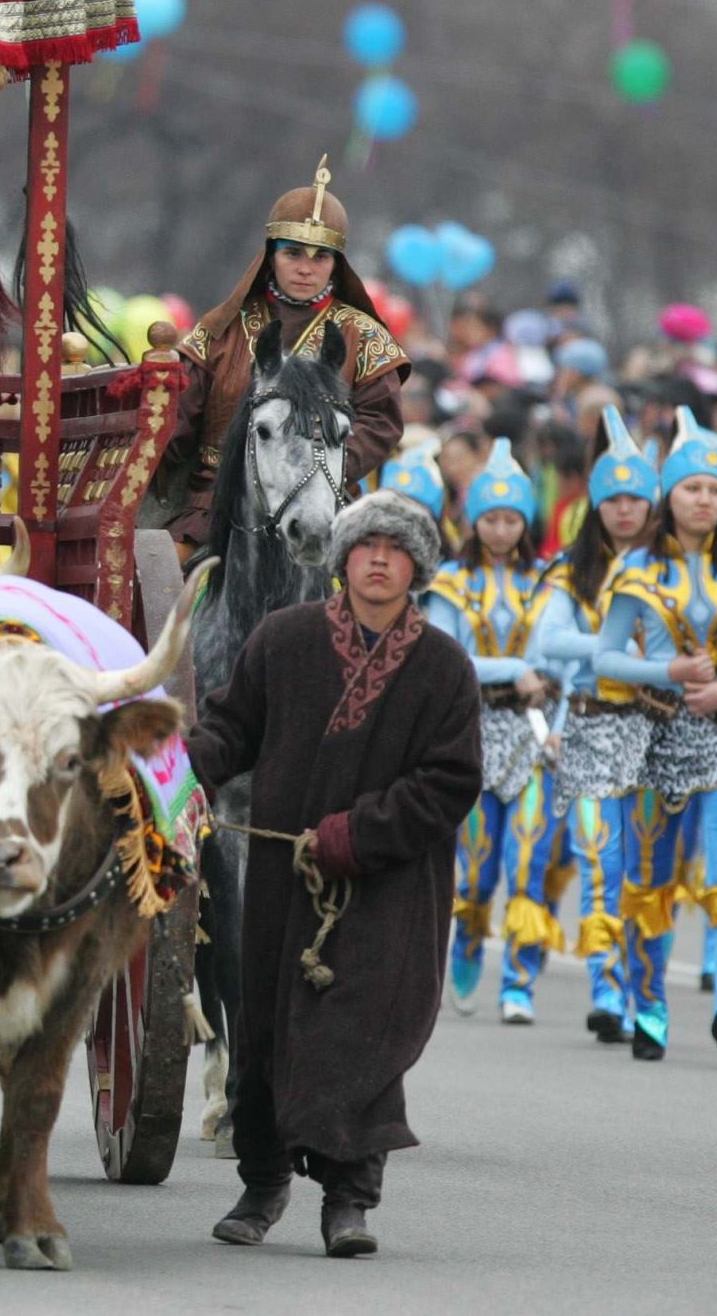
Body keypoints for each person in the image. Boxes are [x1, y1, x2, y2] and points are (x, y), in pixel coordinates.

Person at [189, 489, 480, 1259]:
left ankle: (349, 1199)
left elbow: (451, 782)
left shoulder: (446, 666)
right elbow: (228, 726)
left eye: (396, 546)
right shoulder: (284, 639)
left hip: (389, 886)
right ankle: (262, 1183)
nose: (380, 557)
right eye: (366, 543)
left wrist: (359, 832)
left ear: (417, 565)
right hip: (286, 881)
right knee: (264, 1026)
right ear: (344, 557)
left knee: (363, 1033)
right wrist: (180, 770)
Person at [594, 408, 717, 1062]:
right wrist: (663, 668)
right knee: (650, 881)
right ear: (669, 492)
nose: (705, 498)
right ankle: (649, 1008)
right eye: (693, 487)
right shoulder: (636, 565)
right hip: (655, 737)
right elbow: (605, 658)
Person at [160, 159, 409, 552]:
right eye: (293, 253)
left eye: (320, 257)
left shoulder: (363, 335)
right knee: (162, 587)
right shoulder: (224, 328)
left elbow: (380, 423)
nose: (306, 268)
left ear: (335, 264)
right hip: (218, 504)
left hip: (324, 504)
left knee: (364, 599)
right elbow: (177, 422)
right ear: (270, 255)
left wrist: (320, 470)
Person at [530, 407, 659, 1043]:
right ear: (598, 506)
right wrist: (613, 651)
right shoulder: (573, 572)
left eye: (638, 499)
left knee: (646, 870)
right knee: (598, 863)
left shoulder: (676, 572)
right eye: (615, 499)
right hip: (587, 728)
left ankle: (644, 994)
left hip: (661, 735)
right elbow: (548, 640)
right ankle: (608, 990)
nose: (626, 510)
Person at [423, 440, 559, 1023]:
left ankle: (520, 984)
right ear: (473, 520)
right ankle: (470, 944)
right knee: (476, 870)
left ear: (525, 522)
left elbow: (566, 660)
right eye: (491, 518)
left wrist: (558, 714)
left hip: (534, 736)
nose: (502, 529)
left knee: (529, 862)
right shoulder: (450, 581)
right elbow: (450, 656)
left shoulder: (549, 580)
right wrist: (515, 669)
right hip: (473, 732)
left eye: (512, 519)